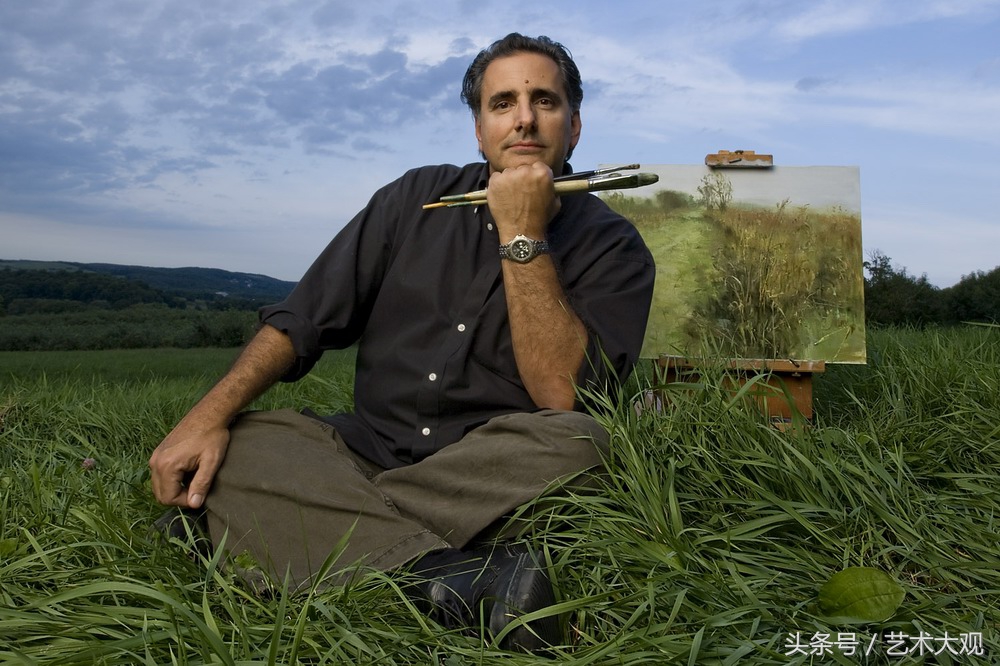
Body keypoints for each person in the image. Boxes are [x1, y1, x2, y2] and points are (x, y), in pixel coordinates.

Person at [149, 32, 655, 653]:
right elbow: (301, 320)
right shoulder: (417, 199)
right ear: (479, 129)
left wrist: (522, 230)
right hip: (368, 448)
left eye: (544, 100)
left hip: (494, 465)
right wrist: (203, 418)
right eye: (502, 103)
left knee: (583, 444)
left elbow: (560, 394)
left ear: (574, 126)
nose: (523, 117)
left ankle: (273, 526)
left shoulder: (616, 247)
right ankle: (448, 577)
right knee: (248, 437)